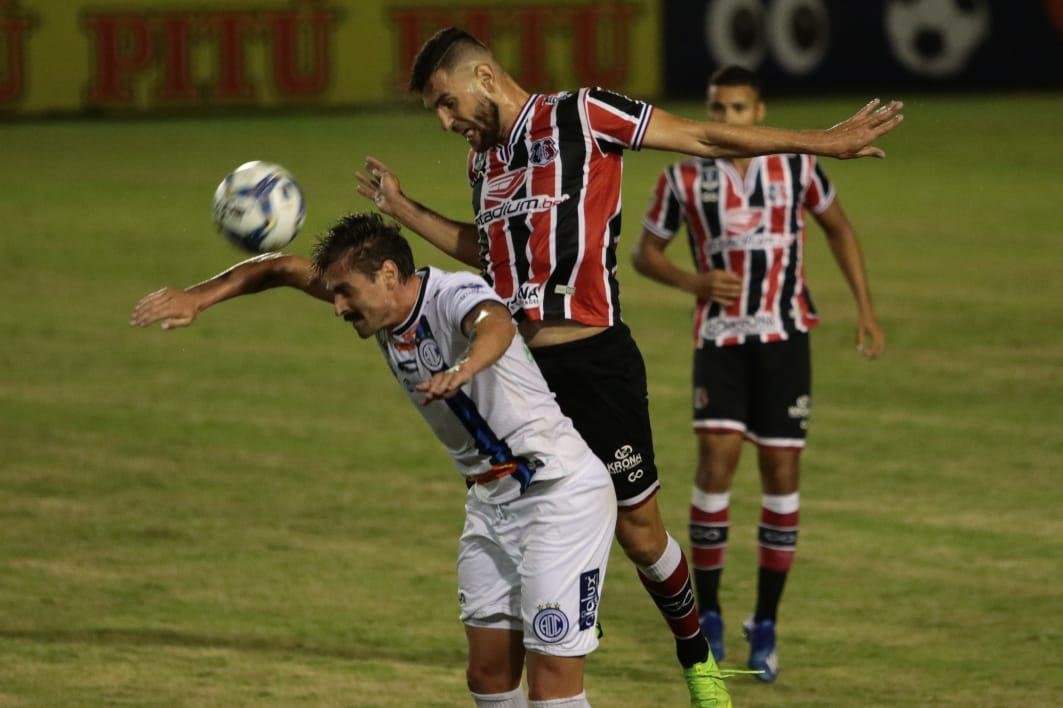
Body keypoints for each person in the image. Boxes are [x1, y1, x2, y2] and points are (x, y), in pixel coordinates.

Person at [354, 27, 902, 706]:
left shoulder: (583, 116)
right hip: (519, 368)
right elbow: (492, 253)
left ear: (485, 78)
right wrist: (405, 211)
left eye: (446, 102)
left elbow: (704, 138)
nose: (444, 122)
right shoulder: (484, 164)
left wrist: (824, 141)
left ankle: (696, 654)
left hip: (595, 361)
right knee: (522, 514)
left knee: (639, 532)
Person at [130, 213, 619, 708]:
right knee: (488, 674)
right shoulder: (381, 309)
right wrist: (198, 298)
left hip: (557, 493)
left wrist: (465, 367)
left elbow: (496, 325)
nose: (337, 307)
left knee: (552, 682)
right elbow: (278, 268)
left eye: (345, 292)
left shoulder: (452, 294)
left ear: (388, 275)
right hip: (491, 500)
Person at [632, 66, 886, 683]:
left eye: (739, 108)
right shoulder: (683, 176)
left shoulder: (798, 167)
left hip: (784, 340)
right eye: (718, 107)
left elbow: (839, 228)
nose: (726, 119)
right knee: (714, 469)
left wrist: (865, 309)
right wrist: (692, 281)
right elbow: (644, 253)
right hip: (719, 342)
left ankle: (766, 623)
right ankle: (710, 614)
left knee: (781, 475)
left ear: (759, 110)